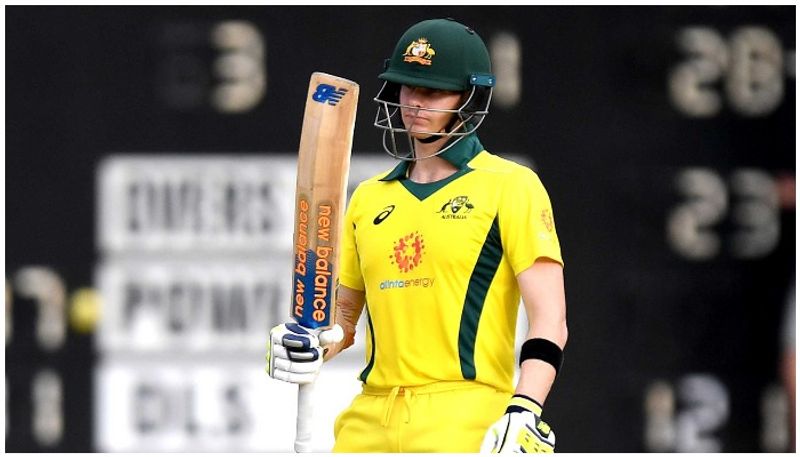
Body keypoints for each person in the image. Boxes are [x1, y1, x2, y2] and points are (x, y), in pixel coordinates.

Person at [267, 17, 568, 453]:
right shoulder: (369, 197)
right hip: (368, 420)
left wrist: (524, 409)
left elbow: (551, 320)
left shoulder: (510, 186)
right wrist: (311, 341)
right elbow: (345, 318)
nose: (414, 103)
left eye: (433, 92)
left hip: (464, 417)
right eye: (408, 87)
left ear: (469, 97)